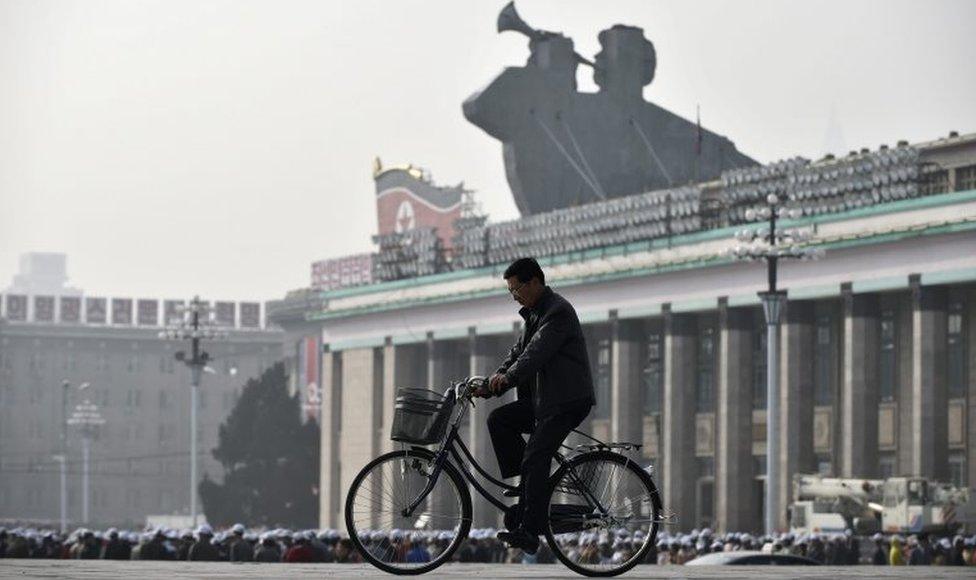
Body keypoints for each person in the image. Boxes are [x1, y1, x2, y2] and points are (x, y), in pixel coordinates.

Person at [475, 257, 595, 555]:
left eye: (516, 289)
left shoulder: (557, 312)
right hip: (544, 402)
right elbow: (517, 353)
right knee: (499, 420)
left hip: (566, 401)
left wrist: (507, 378)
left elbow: (534, 356)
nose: (514, 295)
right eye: (511, 291)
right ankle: (529, 491)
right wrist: (490, 384)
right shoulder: (533, 314)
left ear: (535, 282)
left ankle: (531, 529)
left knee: (534, 458)